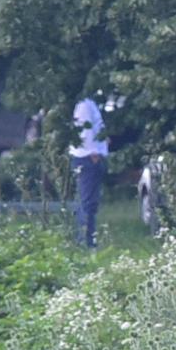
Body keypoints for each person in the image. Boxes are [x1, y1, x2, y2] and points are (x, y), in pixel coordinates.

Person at [71, 90, 111, 247]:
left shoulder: (90, 103)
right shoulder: (85, 105)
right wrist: (94, 151)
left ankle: (88, 239)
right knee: (87, 201)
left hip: (90, 156)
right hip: (88, 157)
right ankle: (85, 241)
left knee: (90, 202)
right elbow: (85, 131)